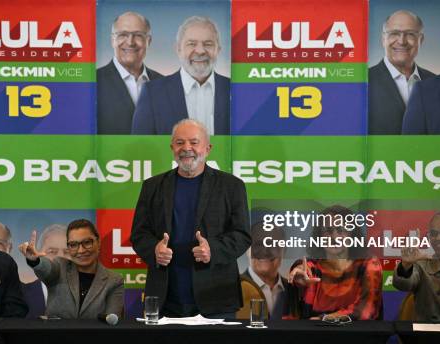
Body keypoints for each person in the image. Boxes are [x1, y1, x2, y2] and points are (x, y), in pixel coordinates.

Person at [130, 119, 250, 318]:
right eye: (179, 143)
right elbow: (139, 234)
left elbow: (242, 235)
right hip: (165, 298)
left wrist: (213, 249)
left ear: (208, 148)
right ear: (172, 148)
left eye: (194, 142)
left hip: (216, 298)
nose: (186, 148)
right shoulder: (152, 186)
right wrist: (154, 249)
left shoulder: (231, 186)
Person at [131, 16, 230, 135]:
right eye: (191, 44)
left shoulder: (237, 90)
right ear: (178, 49)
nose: (200, 51)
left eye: (208, 44)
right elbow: (140, 147)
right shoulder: (152, 93)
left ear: (218, 50)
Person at [287, 205, 382, 320]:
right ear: (319, 236)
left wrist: (326, 319)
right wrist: (298, 285)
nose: (334, 237)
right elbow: (291, 319)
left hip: (358, 337)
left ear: (352, 235)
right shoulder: (310, 267)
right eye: (328, 231)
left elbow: (366, 312)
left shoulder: (368, 265)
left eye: (341, 230)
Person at [19, 219, 124, 319]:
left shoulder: (114, 281)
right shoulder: (60, 266)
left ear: (98, 242)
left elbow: (112, 321)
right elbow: (47, 269)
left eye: (87, 242)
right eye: (73, 245)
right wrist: (35, 261)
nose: (81, 250)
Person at [369, 10, 435, 134]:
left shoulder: (436, 84)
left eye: (410, 34)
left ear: (421, 39)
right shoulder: (363, 82)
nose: (402, 41)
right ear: (383, 39)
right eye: (394, 33)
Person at [97, 11, 163, 134]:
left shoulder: (164, 84)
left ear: (148, 41)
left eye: (138, 35)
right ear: (112, 40)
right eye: (123, 34)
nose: (130, 42)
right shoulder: (92, 82)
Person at [241, 222, 290, 320]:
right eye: (258, 245)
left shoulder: (296, 291)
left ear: (284, 251)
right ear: (247, 249)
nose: (265, 251)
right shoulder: (232, 290)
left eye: (272, 244)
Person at [22, 224, 69, 319]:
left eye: (67, 252)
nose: (60, 257)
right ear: (38, 255)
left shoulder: (88, 294)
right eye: (52, 251)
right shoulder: (21, 294)